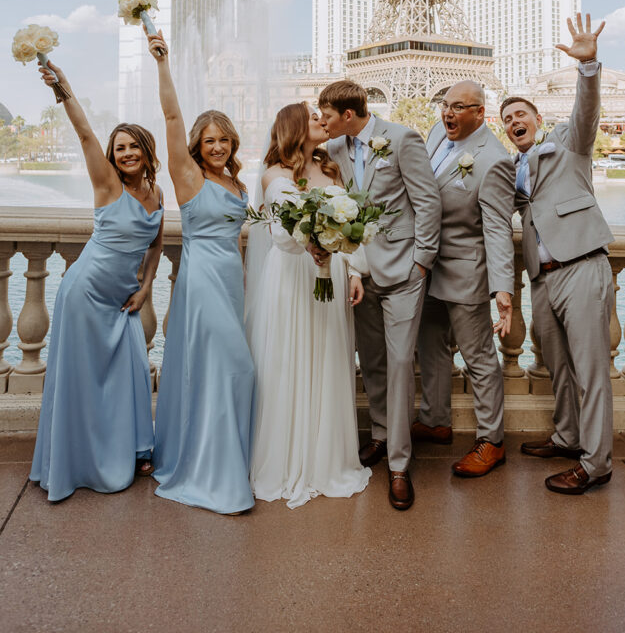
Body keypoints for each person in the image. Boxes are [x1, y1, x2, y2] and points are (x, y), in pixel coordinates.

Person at [30, 61, 163, 502]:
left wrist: (145, 288)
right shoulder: (107, 183)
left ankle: (126, 449)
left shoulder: (157, 194)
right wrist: (63, 87)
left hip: (122, 300)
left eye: (133, 147)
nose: (125, 154)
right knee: (83, 381)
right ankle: (78, 461)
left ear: (146, 151)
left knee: (128, 375)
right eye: (119, 147)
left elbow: (156, 246)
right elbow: (86, 134)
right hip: (85, 293)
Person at [501, 13, 615, 495]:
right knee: (559, 366)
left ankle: (595, 463)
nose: (514, 122)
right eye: (506, 119)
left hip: (582, 266)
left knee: (590, 370)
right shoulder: (511, 169)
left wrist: (586, 68)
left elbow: (586, 112)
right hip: (542, 278)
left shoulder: (568, 143)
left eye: (521, 114)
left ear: (539, 120)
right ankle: (569, 436)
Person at [319, 80, 442, 511]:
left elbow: (427, 202)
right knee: (371, 361)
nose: (323, 123)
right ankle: (380, 435)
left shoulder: (402, 138)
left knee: (401, 363)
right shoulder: (335, 148)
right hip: (359, 272)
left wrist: (421, 262)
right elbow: (297, 142)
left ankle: (399, 464)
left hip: (404, 271)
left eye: (328, 116)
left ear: (348, 115)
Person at [147, 30, 255, 514]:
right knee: (236, 366)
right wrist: (163, 62)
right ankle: (214, 472)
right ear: (197, 143)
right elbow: (171, 116)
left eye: (223, 139)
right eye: (208, 140)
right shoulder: (188, 176)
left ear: (233, 141)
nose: (216, 145)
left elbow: (238, 241)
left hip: (230, 281)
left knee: (223, 372)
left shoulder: (237, 182)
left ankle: (222, 458)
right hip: (201, 279)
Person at [246, 102, 371, 509]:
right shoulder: (275, 176)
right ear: (294, 127)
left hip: (330, 274)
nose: (322, 120)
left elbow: (355, 225)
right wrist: (312, 243)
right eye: (314, 116)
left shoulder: (332, 169)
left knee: (329, 359)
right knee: (291, 363)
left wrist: (352, 269)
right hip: (293, 278)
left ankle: (327, 460)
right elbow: (283, 237)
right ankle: (288, 462)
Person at [413, 81, 515, 478]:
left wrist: (502, 288)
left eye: (458, 107)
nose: (447, 113)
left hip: (465, 270)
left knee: (479, 358)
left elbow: (496, 229)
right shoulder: (437, 133)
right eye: (445, 105)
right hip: (427, 266)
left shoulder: (493, 160)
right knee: (430, 346)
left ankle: (492, 440)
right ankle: (436, 420)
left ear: (479, 113)